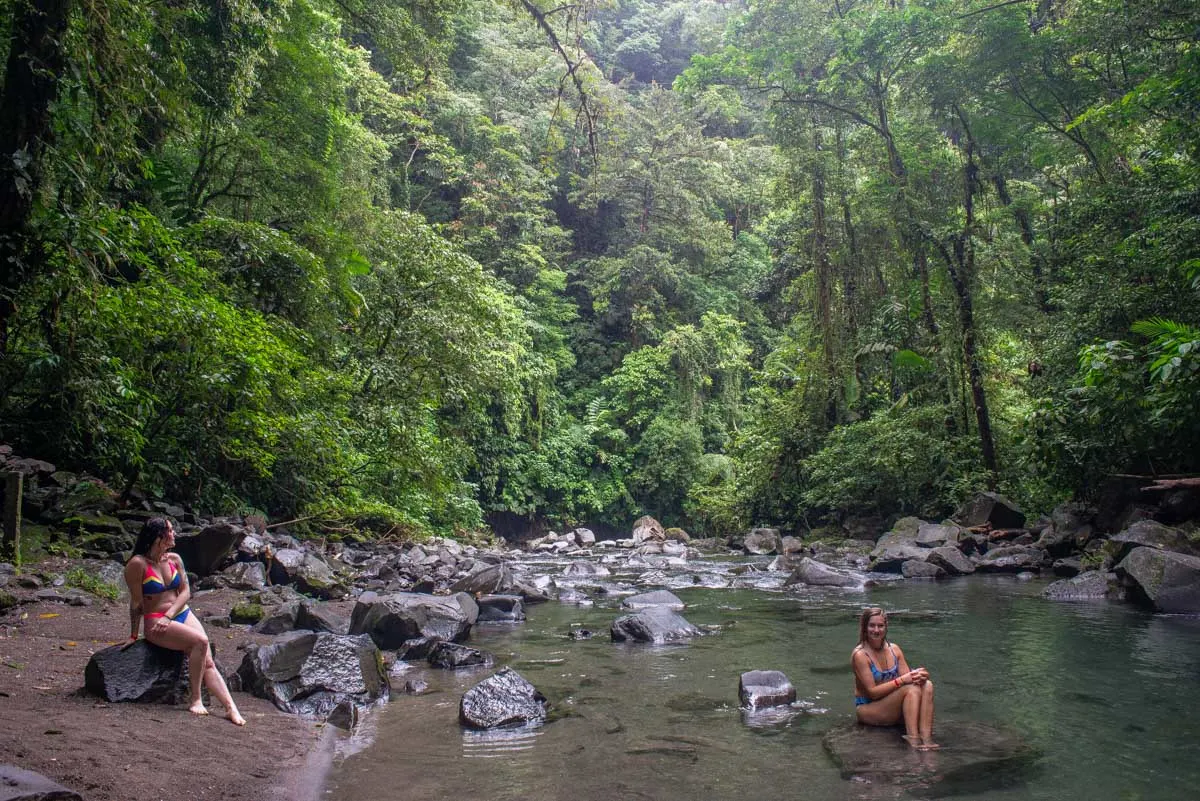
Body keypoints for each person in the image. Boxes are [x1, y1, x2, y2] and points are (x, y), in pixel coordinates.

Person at [124, 517, 246, 726]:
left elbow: (186, 592)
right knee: (200, 642)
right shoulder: (137, 564)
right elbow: (136, 604)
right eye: (170, 531)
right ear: (158, 536)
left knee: (207, 659)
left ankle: (230, 708)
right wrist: (134, 635)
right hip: (155, 621)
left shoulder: (174, 559)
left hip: (179, 613)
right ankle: (196, 699)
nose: (174, 534)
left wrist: (170, 615)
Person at [851, 606, 936, 749]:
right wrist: (902, 680)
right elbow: (873, 692)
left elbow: (910, 680)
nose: (876, 630)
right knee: (911, 690)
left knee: (927, 685)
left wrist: (920, 676)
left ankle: (926, 738)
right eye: (872, 626)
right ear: (865, 627)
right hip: (869, 708)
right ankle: (913, 738)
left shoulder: (894, 649)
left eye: (880, 626)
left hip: (892, 707)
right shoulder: (860, 655)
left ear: (886, 627)